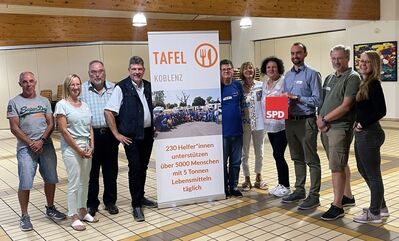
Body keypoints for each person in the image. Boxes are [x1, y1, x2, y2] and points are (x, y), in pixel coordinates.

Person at [7, 71, 66, 231]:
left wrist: (42, 141)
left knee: (51, 178)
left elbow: (50, 124)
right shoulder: (14, 102)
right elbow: (14, 127)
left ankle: (50, 208)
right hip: (26, 147)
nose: (28, 84)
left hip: (45, 145)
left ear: (35, 82)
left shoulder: (44, 101)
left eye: (31, 81)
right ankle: (24, 216)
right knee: (25, 182)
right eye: (25, 82)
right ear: (20, 84)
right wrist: (31, 143)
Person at [104, 56, 157, 222]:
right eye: (134, 69)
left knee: (144, 167)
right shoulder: (121, 87)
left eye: (140, 69)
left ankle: (141, 197)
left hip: (148, 134)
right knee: (135, 168)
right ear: (129, 70)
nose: (137, 72)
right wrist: (117, 134)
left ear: (144, 70)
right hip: (131, 137)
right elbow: (108, 111)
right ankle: (136, 205)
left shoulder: (149, 86)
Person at [317, 45, 360, 221]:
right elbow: (323, 101)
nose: (336, 61)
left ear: (348, 58)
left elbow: (346, 105)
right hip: (326, 127)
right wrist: (320, 120)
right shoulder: (329, 78)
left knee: (336, 166)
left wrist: (325, 120)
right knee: (340, 163)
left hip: (339, 128)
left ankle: (337, 206)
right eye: (334, 58)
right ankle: (347, 197)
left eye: (340, 58)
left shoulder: (352, 77)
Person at [281, 42, 323, 210]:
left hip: (307, 121)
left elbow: (318, 100)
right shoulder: (287, 76)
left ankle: (314, 195)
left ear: (305, 53)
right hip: (290, 121)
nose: (295, 56)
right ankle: (299, 190)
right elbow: (285, 98)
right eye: (292, 53)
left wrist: (298, 98)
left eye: (298, 53)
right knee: (296, 158)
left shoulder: (312, 74)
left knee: (311, 160)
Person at [54, 74, 96, 231]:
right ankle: (73, 215)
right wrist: (79, 150)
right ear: (67, 86)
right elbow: (64, 131)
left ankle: (83, 210)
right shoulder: (62, 105)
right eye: (72, 84)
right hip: (72, 150)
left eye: (78, 84)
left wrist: (91, 146)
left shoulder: (84, 105)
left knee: (85, 181)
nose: (76, 87)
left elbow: (90, 126)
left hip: (86, 148)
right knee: (74, 182)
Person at [353, 50, 389, 223]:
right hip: (365, 133)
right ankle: (381, 207)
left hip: (370, 134)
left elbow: (381, 110)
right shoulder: (364, 82)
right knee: (363, 170)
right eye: (361, 61)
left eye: (367, 62)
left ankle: (374, 212)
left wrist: (362, 123)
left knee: (373, 174)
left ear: (374, 65)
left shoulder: (374, 83)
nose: (363, 64)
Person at [81, 60, 120, 217]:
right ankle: (92, 204)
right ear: (89, 73)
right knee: (92, 172)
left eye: (100, 71)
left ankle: (110, 202)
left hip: (110, 135)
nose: (97, 74)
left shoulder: (114, 88)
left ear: (105, 72)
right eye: (93, 72)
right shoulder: (82, 90)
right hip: (91, 136)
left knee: (111, 171)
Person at [260, 57, 291, 197]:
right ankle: (281, 184)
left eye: (274, 67)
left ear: (279, 68)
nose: (271, 70)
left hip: (282, 125)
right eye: (268, 68)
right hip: (270, 125)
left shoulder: (284, 81)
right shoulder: (265, 83)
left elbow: (288, 99)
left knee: (278, 154)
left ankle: (286, 185)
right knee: (276, 154)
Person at [240, 62, 266, 191]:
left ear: (253, 70)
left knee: (259, 151)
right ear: (242, 72)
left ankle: (258, 177)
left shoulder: (261, 86)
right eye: (245, 68)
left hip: (259, 123)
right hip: (244, 124)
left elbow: (270, 99)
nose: (248, 70)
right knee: (245, 153)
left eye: (250, 68)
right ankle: (247, 178)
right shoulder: (239, 87)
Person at [220, 59, 244, 197]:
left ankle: (234, 186)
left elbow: (241, 103)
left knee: (236, 162)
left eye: (229, 69)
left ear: (233, 70)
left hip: (238, 131)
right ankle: (224, 187)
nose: (226, 72)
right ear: (220, 72)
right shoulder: (218, 88)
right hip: (223, 133)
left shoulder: (237, 85)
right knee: (223, 163)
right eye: (224, 70)